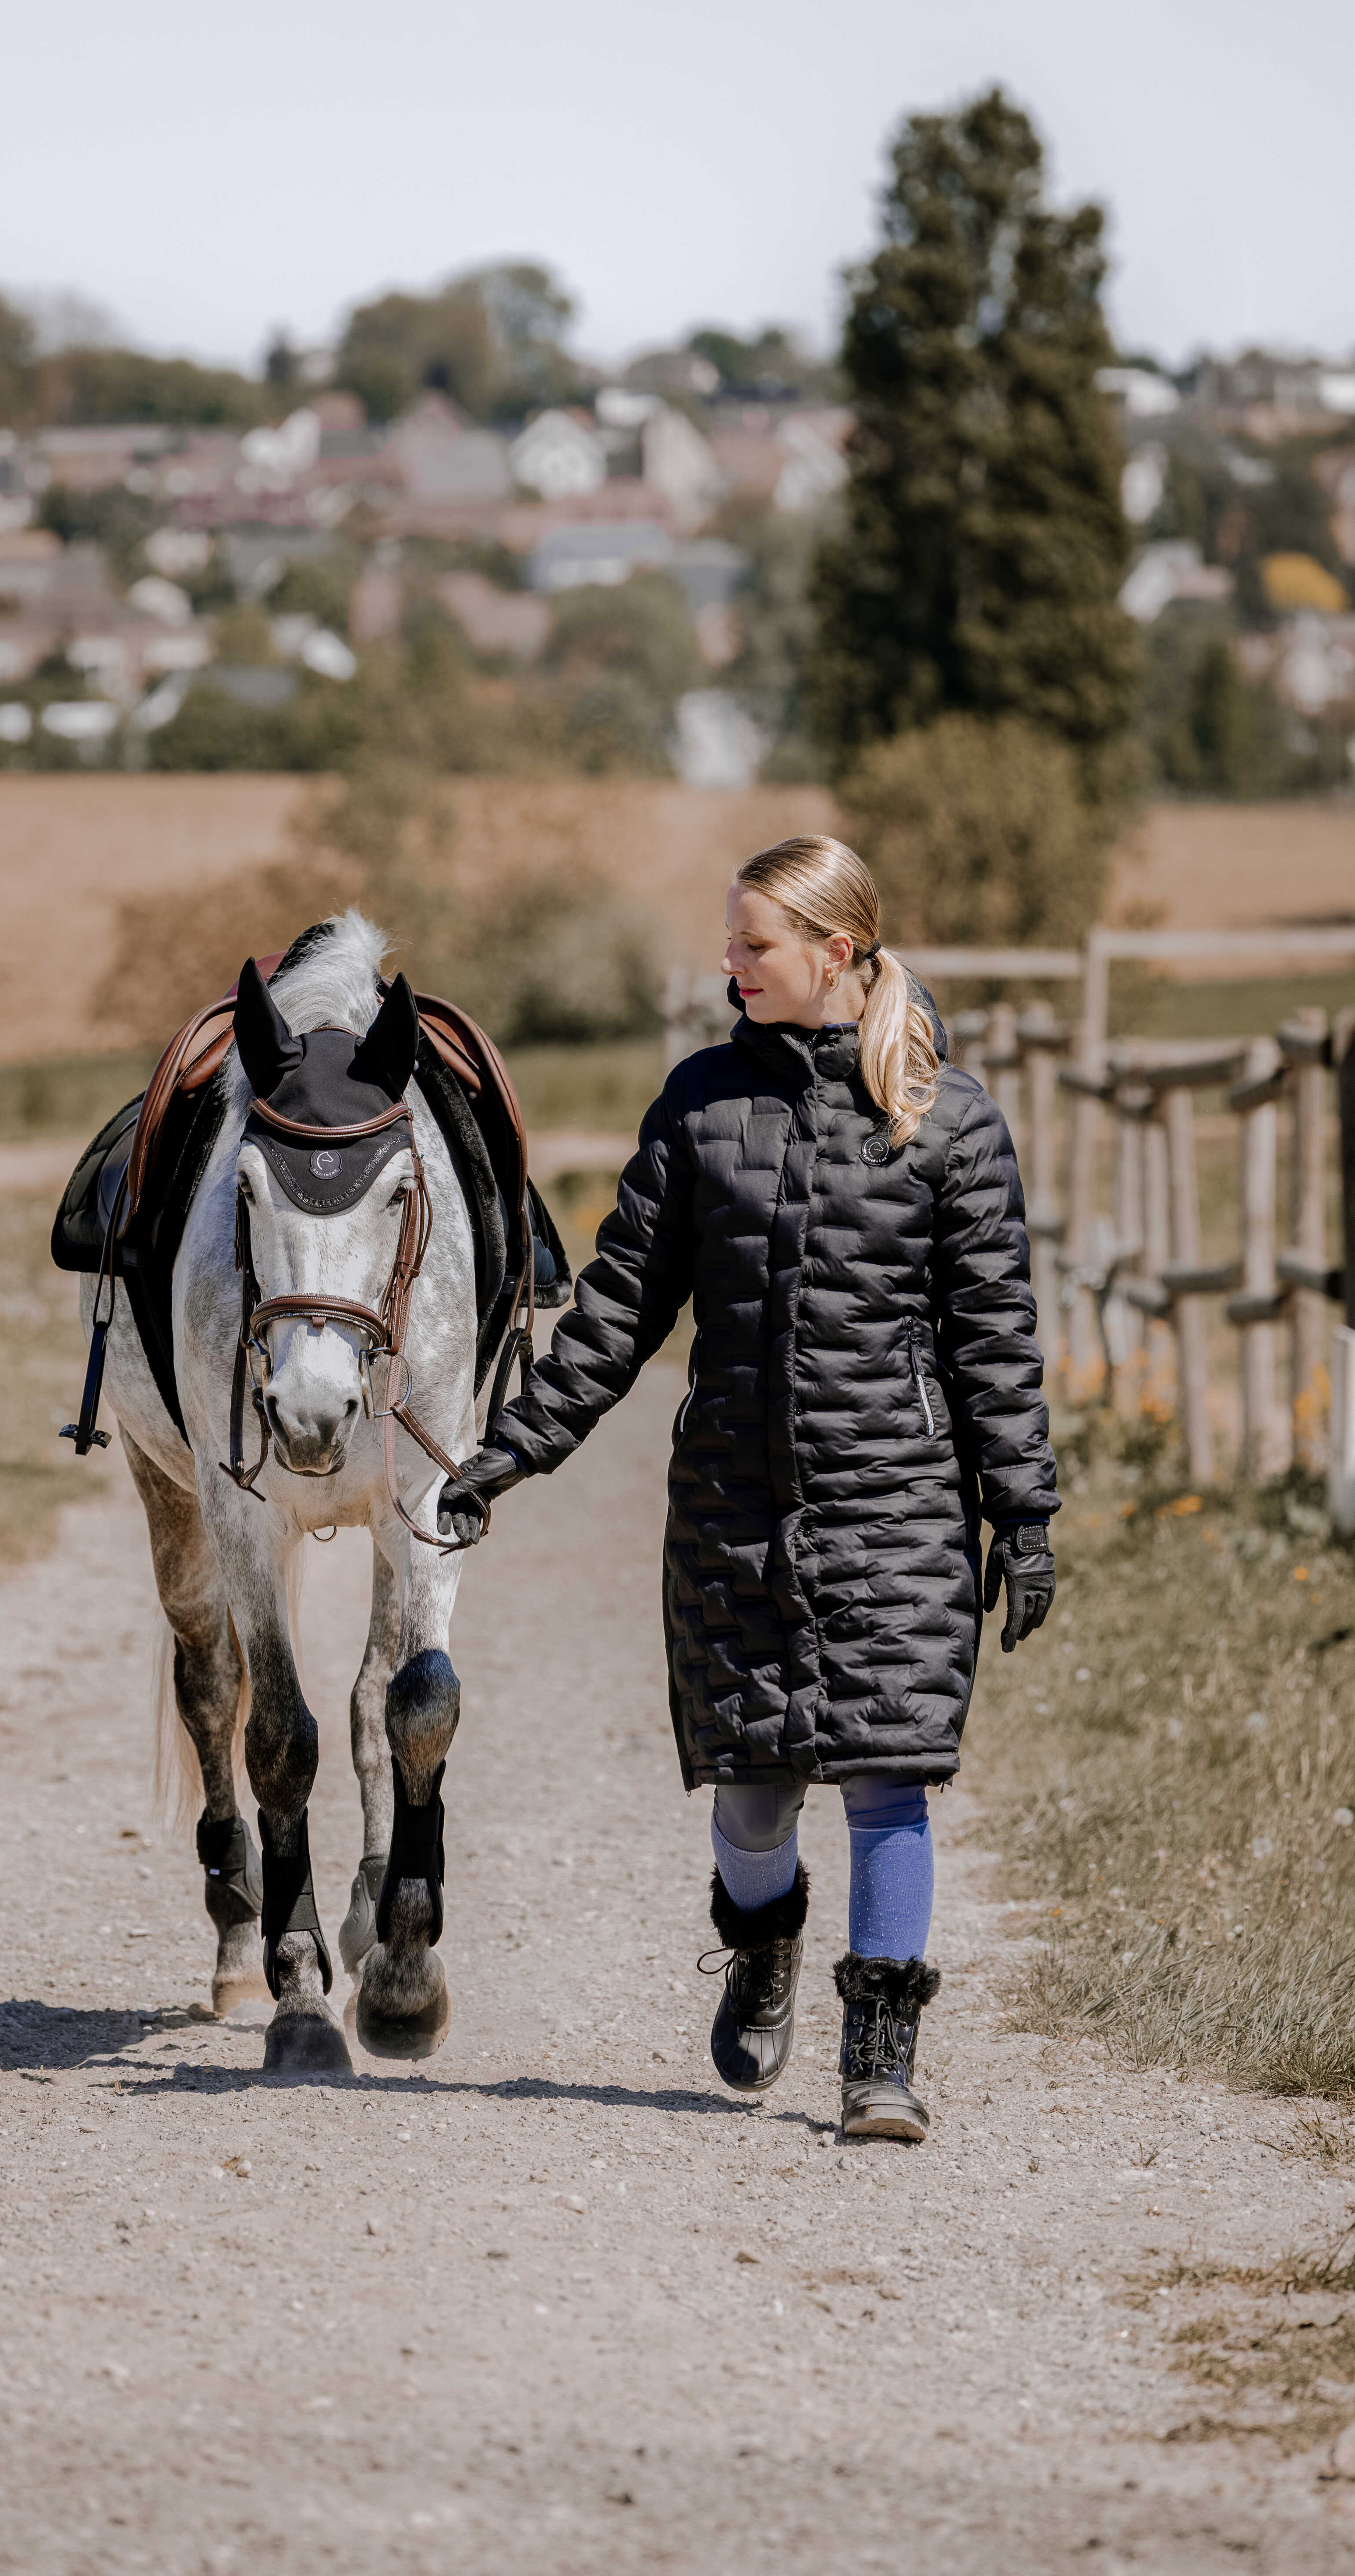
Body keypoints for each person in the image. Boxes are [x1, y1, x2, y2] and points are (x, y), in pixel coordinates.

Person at [439, 836, 1057, 2141]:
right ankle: (762, 1945)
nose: (729, 964)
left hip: (898, 1501)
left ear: (834, 951)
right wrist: (505, 1454)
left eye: (753, 945)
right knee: (754, 1787)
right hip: (732, 1500)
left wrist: (1027, 1514)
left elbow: (993, 1337)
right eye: (729, 941)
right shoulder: (698, 1104)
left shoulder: (948, 1120)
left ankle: (879, 2059)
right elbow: (614, 1313)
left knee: (889, 1775)